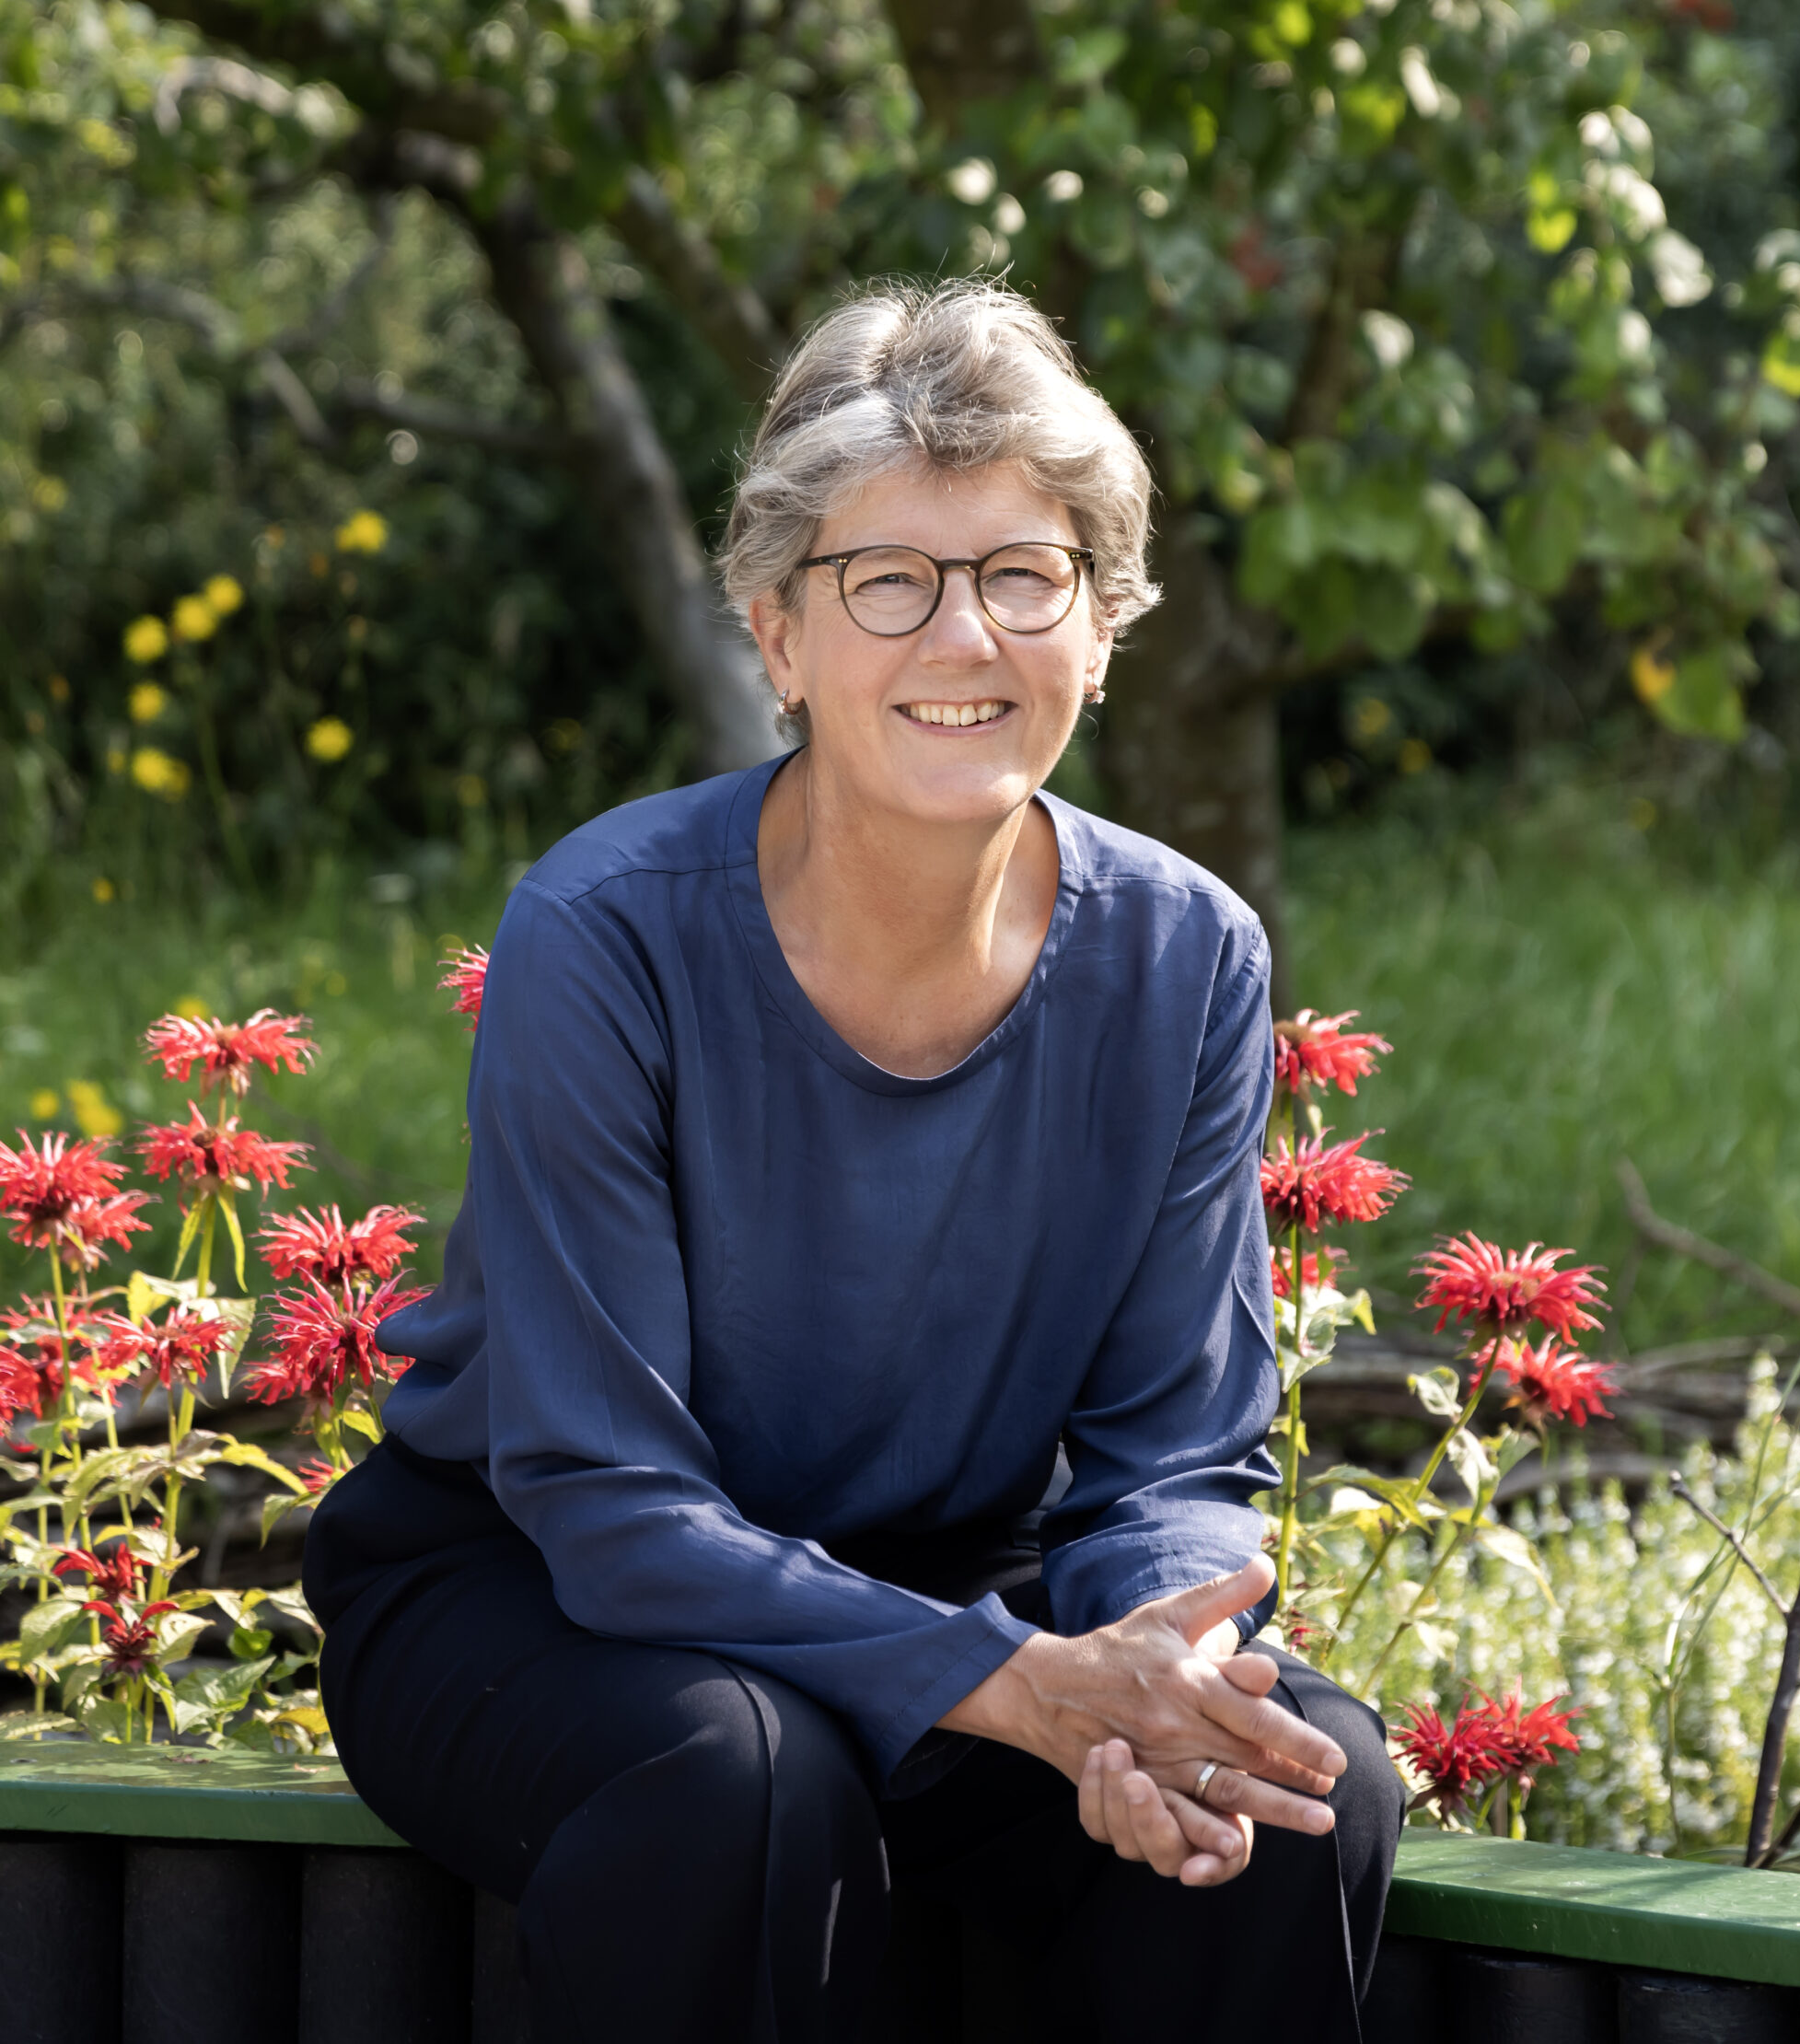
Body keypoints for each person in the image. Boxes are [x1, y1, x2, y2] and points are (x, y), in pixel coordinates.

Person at [307, 278, 1402, 2042]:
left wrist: (1158, 1677)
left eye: (1025, 577)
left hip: (963, 1583)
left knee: (1285, 1791)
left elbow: (1174, 1450)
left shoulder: (1187, 954)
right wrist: (1021, 1689)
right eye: (889, 580)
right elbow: (607, 1500)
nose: (961, 640)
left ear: (1104, 625)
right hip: (535, 1592)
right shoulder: (605, 934)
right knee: (749, 1782)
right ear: (778, 633)